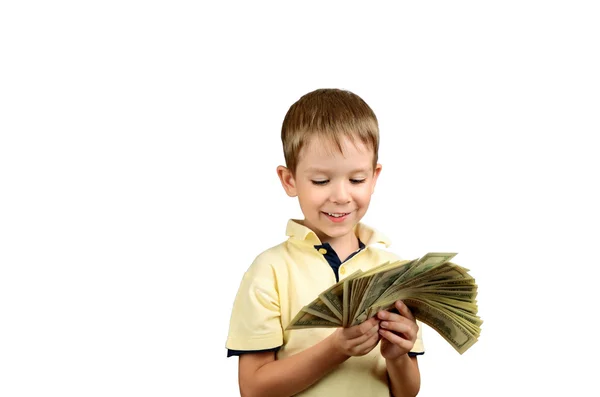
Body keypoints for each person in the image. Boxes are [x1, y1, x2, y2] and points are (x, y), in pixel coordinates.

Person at [225, 88, 425, 397]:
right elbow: (253, 388)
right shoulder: (270, 271)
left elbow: (407, 391)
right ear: (289, 180)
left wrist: (398, 357)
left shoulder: (395, 271)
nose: (341, 196)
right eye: (321, 181)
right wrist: (336, 348)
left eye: (356, 180)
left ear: (374, 177)